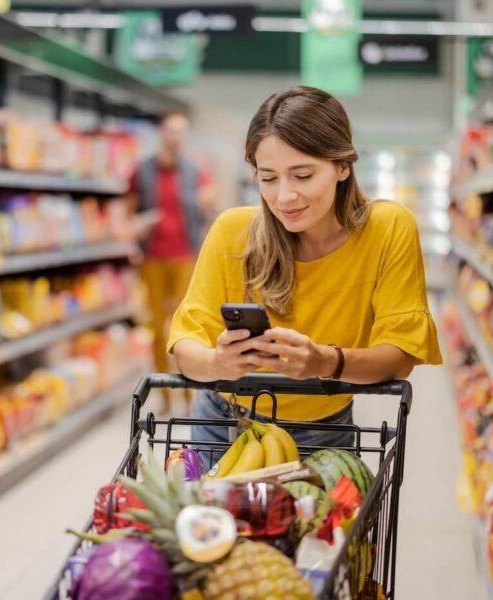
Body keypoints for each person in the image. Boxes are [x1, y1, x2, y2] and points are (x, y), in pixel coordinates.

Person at [166, 86, 442, 456]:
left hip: (322, 432)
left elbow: (399, 356)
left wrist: (324, 361)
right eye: (268, 178)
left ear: (343, 166)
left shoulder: (388, 228)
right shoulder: (233, 232)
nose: (284, 197)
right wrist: (219, 362)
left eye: (302, 175)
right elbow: (185, 348)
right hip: (221, 426)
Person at [130, 110, 215, 413]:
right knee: (155, 326)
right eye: (171, 131)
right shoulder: (142, 170)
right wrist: (135, 228)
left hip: (184, 257)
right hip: (152, 256)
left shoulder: (195, 171)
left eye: (182, 132)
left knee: (186, 328)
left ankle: (190, 395)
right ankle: (164, 394)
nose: (176, 137)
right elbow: (129, 210)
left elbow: (208, 205)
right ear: (161, 134)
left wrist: (208, 203)